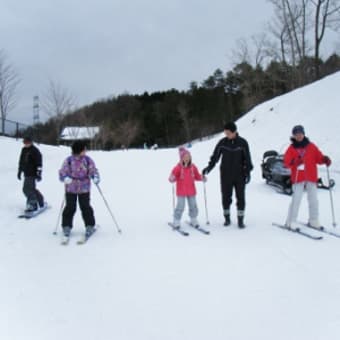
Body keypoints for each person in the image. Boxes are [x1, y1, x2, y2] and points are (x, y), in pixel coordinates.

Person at [202, 122, 253, 228]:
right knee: (226, 197)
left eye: (228, 133)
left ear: (234, 131)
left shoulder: (243, 143)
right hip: (225, 175)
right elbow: (215, 157)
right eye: (225, 133)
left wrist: (247, 172)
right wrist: (209, 168)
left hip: (240, 175)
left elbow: (247, 159)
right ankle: (227, 218)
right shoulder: (222, 143)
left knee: (241, 198)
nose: (226, 135)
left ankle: (240, 220)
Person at [283, 125, 331, 230]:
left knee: (313, 199)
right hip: (298, 177)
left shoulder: (311, 146)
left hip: (311, 176)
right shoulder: (291, 148)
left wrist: (325, 159)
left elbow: (319, 158)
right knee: (296, 199)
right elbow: (286, 162)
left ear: (304, 134)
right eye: (296, 134)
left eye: (300, 133)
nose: (299, 136)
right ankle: (291, 221)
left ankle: (314, 220)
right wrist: (294, 162)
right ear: (294, 136)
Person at [58, 140, 100, 237]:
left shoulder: (87, 160)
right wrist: (65, 178)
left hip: (84, 187)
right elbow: (62, 172)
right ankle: (66, 226)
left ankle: (89, 225)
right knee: (70, 207)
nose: (85, 151)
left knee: (85, 206)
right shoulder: (68, 160)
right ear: (79, 150)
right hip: (71, 188)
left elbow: (93, 170)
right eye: (84, 149)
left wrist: (95, 177)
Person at [169, 146, 205, 228]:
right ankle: (176, 220)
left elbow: (197, 176)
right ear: (181, 158)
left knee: (193, 205)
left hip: (191, 190)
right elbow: (172, 177)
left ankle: (193, 219)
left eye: (188, 157)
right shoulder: (178, 168)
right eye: (185, 157)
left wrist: (202, 177)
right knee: (180, 206)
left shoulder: (193, 167)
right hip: (181, 191)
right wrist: (172, 178)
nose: (187, 159)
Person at [17, 136, 45, 212]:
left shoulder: (35, 151)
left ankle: (33, 204)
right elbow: (21, 161)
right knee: (31, 189)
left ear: (31, 142)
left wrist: (39, 173)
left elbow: (39, 163)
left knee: (26, 189)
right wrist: (19, 171)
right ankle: (40, 200)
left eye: (27, 143)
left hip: (32, 173)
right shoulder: (24, 150)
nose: (25, 144)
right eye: (24, 143)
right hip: (26, 172)